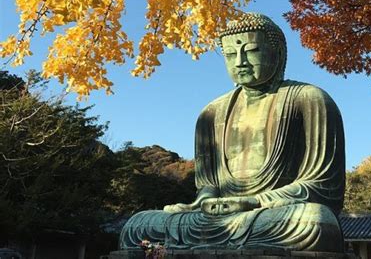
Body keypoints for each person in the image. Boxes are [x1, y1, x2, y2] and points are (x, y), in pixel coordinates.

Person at [119, 13, 345, 253]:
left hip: (273, 214)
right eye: (230, 54)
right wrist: (204, 202)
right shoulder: (211, 112)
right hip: (218, 219)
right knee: (137, 225)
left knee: (314, 221)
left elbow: (323, 186)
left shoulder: (309, 99)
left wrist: (255, 201)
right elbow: (208, 185)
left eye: (252, 51)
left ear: (277, 53)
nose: (240, 61)